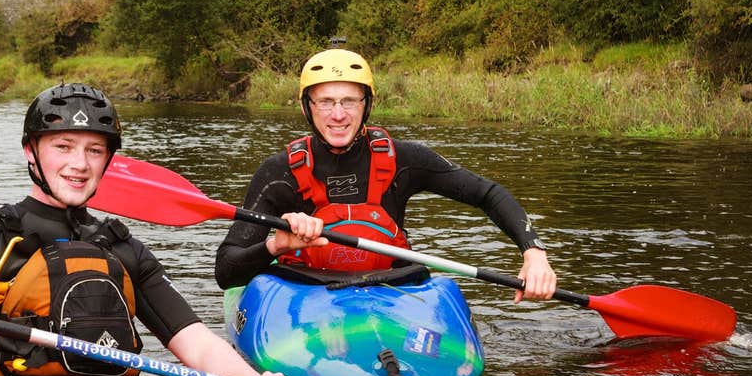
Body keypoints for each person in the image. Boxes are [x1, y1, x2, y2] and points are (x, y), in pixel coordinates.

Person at [0, 83, 304, 376]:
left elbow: (192, 339)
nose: (79, 164)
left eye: (94, 150)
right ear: (31, 151)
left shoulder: (120, 245)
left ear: (109, 160)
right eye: (63, 146)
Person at [215, 45, 558, 302]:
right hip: (304, 296)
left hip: (389, 294)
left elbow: (488, 194)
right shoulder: (279, 173)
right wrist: (277, 244)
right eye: (326, 102)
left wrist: (534, 253)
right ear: (308, 107)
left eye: (350, 101)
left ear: (367, 105)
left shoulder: (403, 160)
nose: (338, 114)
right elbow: (226, 271)